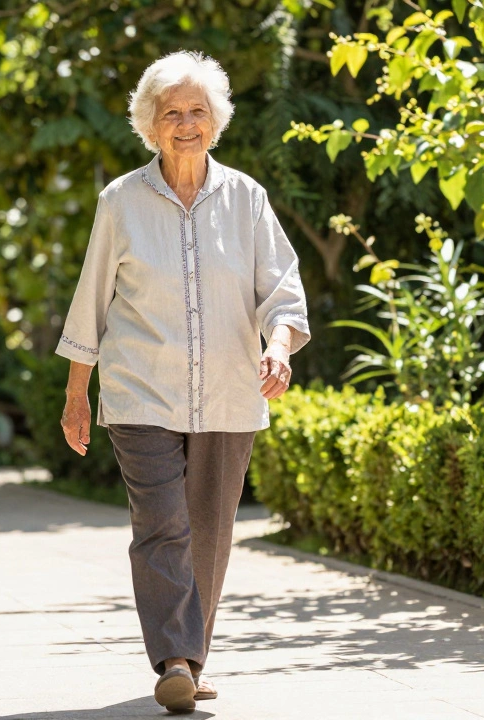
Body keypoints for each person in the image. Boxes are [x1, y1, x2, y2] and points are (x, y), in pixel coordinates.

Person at [56, 50, 310, 713]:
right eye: (172, 112)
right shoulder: (121, 202)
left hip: (228, 391)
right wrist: (76, 392)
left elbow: (281, 292)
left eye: (198, 110)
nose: (186, 123)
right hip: (142, 390)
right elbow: (91, 301)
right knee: (163, 524)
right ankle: (172, 658)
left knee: (209, 530)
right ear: (150, 124)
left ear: (216, 120)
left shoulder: (246, 198)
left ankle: (190, 660)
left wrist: (279, 347)